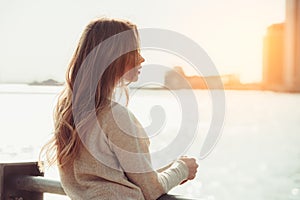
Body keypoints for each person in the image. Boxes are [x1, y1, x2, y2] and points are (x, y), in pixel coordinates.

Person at [40, 17, 198, 200]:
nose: (142, 58)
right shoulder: (116, 117)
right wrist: (182, 170)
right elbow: (151, 190)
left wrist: (170, 168)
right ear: (114, 58)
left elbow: (117, 177)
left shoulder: (67, 113)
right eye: (134, 51)